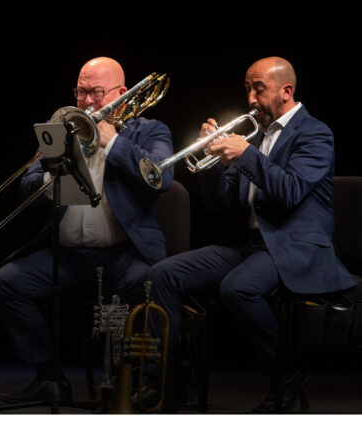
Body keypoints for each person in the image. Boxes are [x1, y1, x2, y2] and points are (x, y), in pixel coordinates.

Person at [147, 56, 356, 412]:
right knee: (163, 274)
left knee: (238, 288)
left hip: (293, 246)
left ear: (286, 91)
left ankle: (286, 374)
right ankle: (166, 387)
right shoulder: (256, 135)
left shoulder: (315, 133)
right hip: (248, 245)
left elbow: (290, 191)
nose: (250, 99)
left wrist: (245, 154)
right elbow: (220, 204)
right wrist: (214, 162)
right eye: (247, 89)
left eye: (259, 89)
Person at [0, 57, 174, 403]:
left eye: (97, 93)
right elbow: (27, 185)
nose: (87, 102)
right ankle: (49, 377)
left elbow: (161, 177)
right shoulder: (63, 129)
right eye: (81, 92)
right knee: (5, 284)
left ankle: (144, 381)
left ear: (121, 93)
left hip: (122, 255)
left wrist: (113, 143)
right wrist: (53, 175)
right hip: (66, 256)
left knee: (151, 283)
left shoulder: (149, 131)